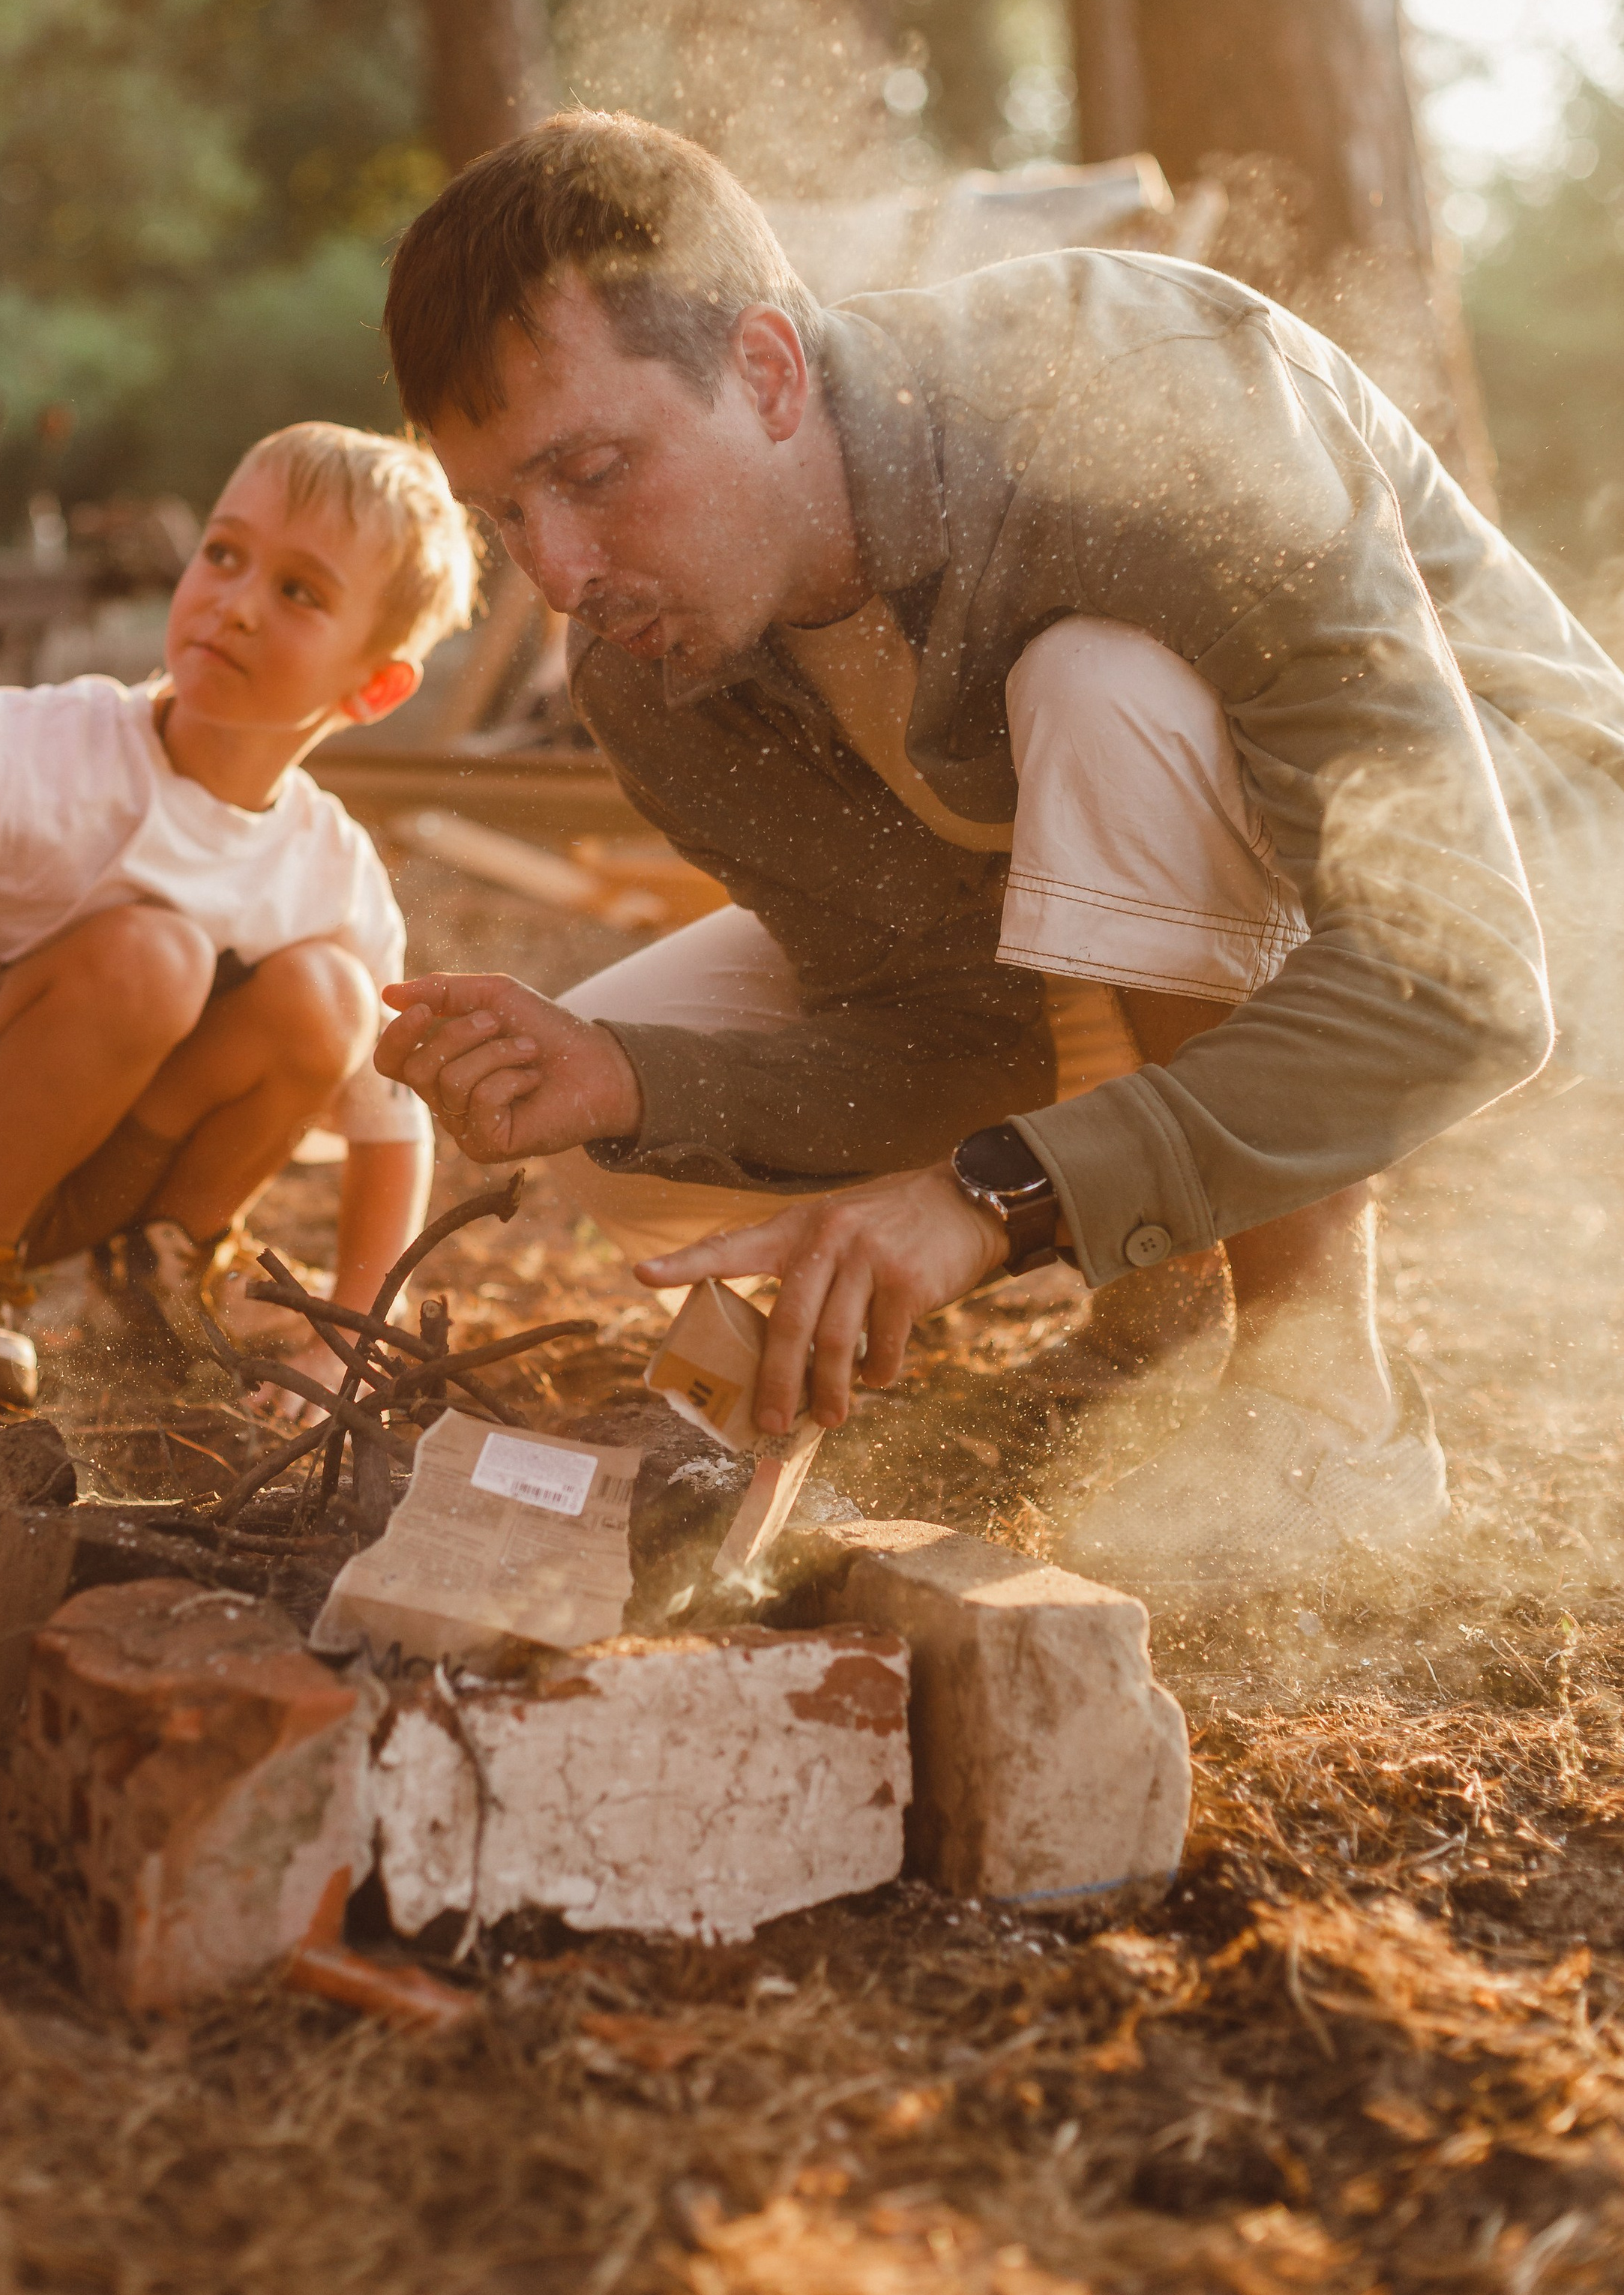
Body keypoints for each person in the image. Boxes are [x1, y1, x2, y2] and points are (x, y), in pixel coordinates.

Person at [370, 110, 1624, 1600]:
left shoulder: (1142, 408)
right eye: (504, 510)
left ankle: (1317, 1393)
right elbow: (953, 1025)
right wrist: (635, 1076)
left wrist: (992, 1198)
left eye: (591, 471)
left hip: (1528, 871)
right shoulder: (650, 670)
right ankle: (1148, 1330)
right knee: (620, 1131)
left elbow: (1462, 978)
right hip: (1167, 925)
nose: (559, 571)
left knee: (1101, 684)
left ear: (766, 373)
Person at [0, 422, 472, 1407]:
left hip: (92, 1175)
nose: (235, 605)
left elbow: (390, 1124)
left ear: (374, 684)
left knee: (332, 995)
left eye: (298, 592)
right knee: (151, 955)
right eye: (224, 554)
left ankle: (165, 1276)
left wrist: (353, 1340)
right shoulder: (60, 752)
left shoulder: (333, 869)